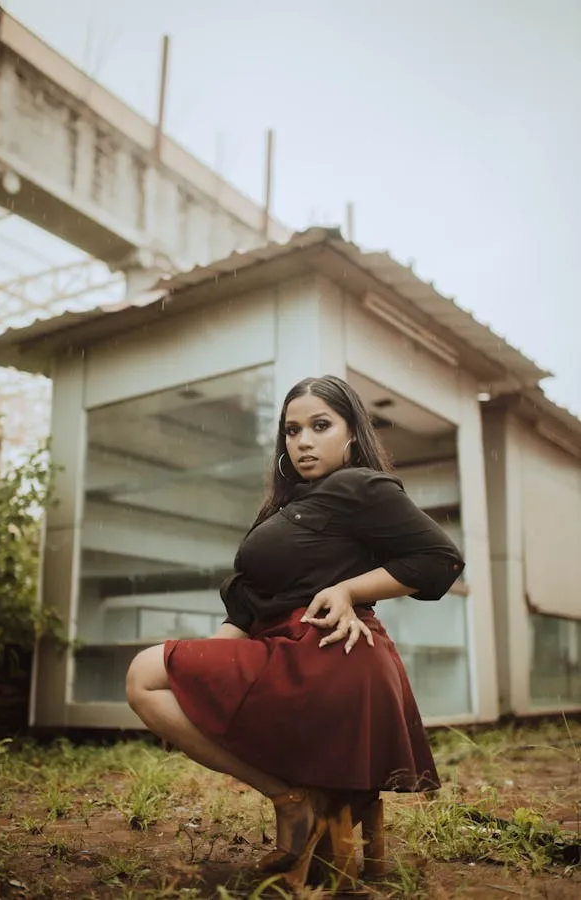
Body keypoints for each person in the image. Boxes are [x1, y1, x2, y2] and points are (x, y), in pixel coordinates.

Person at [125, 374, 465, 888]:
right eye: (292, 430)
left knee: (142, 672)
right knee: (152, 680)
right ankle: (294, 801)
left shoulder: (360, 486)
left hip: (325, 652)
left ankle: (292, 802)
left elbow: (439, 559)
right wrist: (205, 685)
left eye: (320, 425)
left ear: (352, 433)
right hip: (284, 650)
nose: (303, 440)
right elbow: (245, 606)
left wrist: (348, 590)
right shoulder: (287, 505)